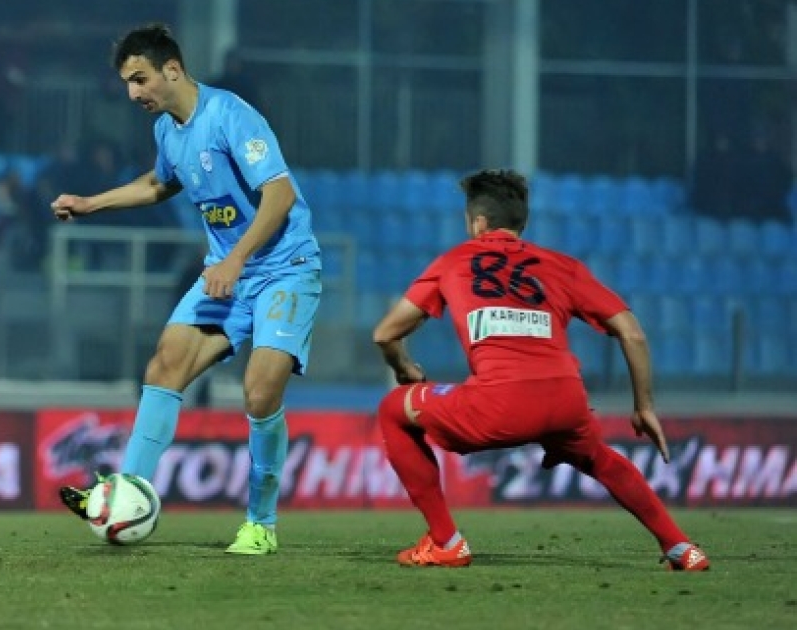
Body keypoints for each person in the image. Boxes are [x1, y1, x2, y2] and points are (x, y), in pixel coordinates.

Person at [50, 24, 322, 555]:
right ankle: (125, 493)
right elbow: (158, 183)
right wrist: (90, 204)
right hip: (227, 273)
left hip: (284, 267)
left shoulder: (230, 114)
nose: (133, 93)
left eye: (139, 79)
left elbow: (280, 193)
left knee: (260, 391)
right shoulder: (168, 131)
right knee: (165, 363)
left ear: (171, 69)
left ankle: (261, 524)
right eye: (128, 83)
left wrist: (237, 258)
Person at [371, 168, 710, 571]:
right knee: (599, 458)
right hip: (565, 401)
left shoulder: (453, 262)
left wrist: (406, 368)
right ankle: (681, 548)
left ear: (477, 223)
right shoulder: (562, 266)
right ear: (521, 222)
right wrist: (644, 406)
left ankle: (446, 542)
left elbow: (385, 334)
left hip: (497, 404)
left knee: (394, 409)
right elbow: (632, 332)